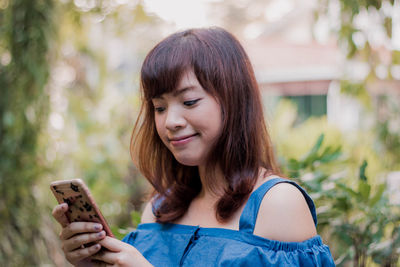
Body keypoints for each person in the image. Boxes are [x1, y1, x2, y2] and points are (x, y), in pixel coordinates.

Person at [52, 27, 335, 266]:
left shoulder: (277, 205)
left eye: (189, 102)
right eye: (159, 107)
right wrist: (90, 261)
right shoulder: (160, 209)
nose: (170, 122)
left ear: (233, 101)